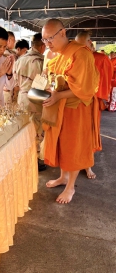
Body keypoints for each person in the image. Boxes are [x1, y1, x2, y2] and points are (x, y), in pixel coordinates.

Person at [41, 19, 100, 203]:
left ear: (63, 33)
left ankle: (70, 187)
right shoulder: (57, 55)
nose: (48, 44)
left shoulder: (80, 54)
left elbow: (85, 88)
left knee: (73, 146)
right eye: (44, 40)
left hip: (77, 109)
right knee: (62, 144)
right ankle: (63, 176)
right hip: (61, 109)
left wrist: (58, 96)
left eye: (50, 38)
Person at [75, 31, 113, 178]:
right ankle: (75, 162)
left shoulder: (101, 58)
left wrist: (101, 97)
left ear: (89, 43)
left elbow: (106, 78)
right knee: (76, 134)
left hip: (91, 102)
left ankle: (88, 165)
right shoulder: (72, 57)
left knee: (90, 133)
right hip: (74, 103)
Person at [13, 33, 46, 171]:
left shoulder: (20, 59)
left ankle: (24, 157)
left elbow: (15, 80)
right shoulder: (41, 62)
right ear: (42, 45)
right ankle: (36, 160)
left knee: (24, 128)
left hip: (22, 97)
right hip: (35, 98)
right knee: (37, 130)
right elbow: (42, 85)